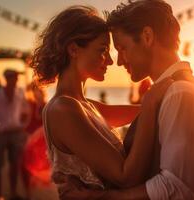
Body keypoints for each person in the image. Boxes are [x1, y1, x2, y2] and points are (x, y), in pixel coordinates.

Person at [61, 1, 194, 199]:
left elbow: (178, 190)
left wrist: (96, 197)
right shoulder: (170, 93)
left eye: (122, 48)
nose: (119, 61)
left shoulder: (181, 94)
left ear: (147, 37)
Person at [30, 5, 172, 199]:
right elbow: (124, 175)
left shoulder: (85, 105)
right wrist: (152, 101)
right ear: (73, 49)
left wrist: (171, 97)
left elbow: (140, 113)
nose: (110, 62)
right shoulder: (63, 109)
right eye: (102, 50)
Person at [0, 69, 30, 200]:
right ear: (7, 78)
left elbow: (26, 110)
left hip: (15, 133)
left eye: (16, 78)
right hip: (0, 134)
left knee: (14, 164)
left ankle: (13, 193)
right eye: (14, 78)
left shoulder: (19, 93)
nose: (16, 80)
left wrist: (23, 125)